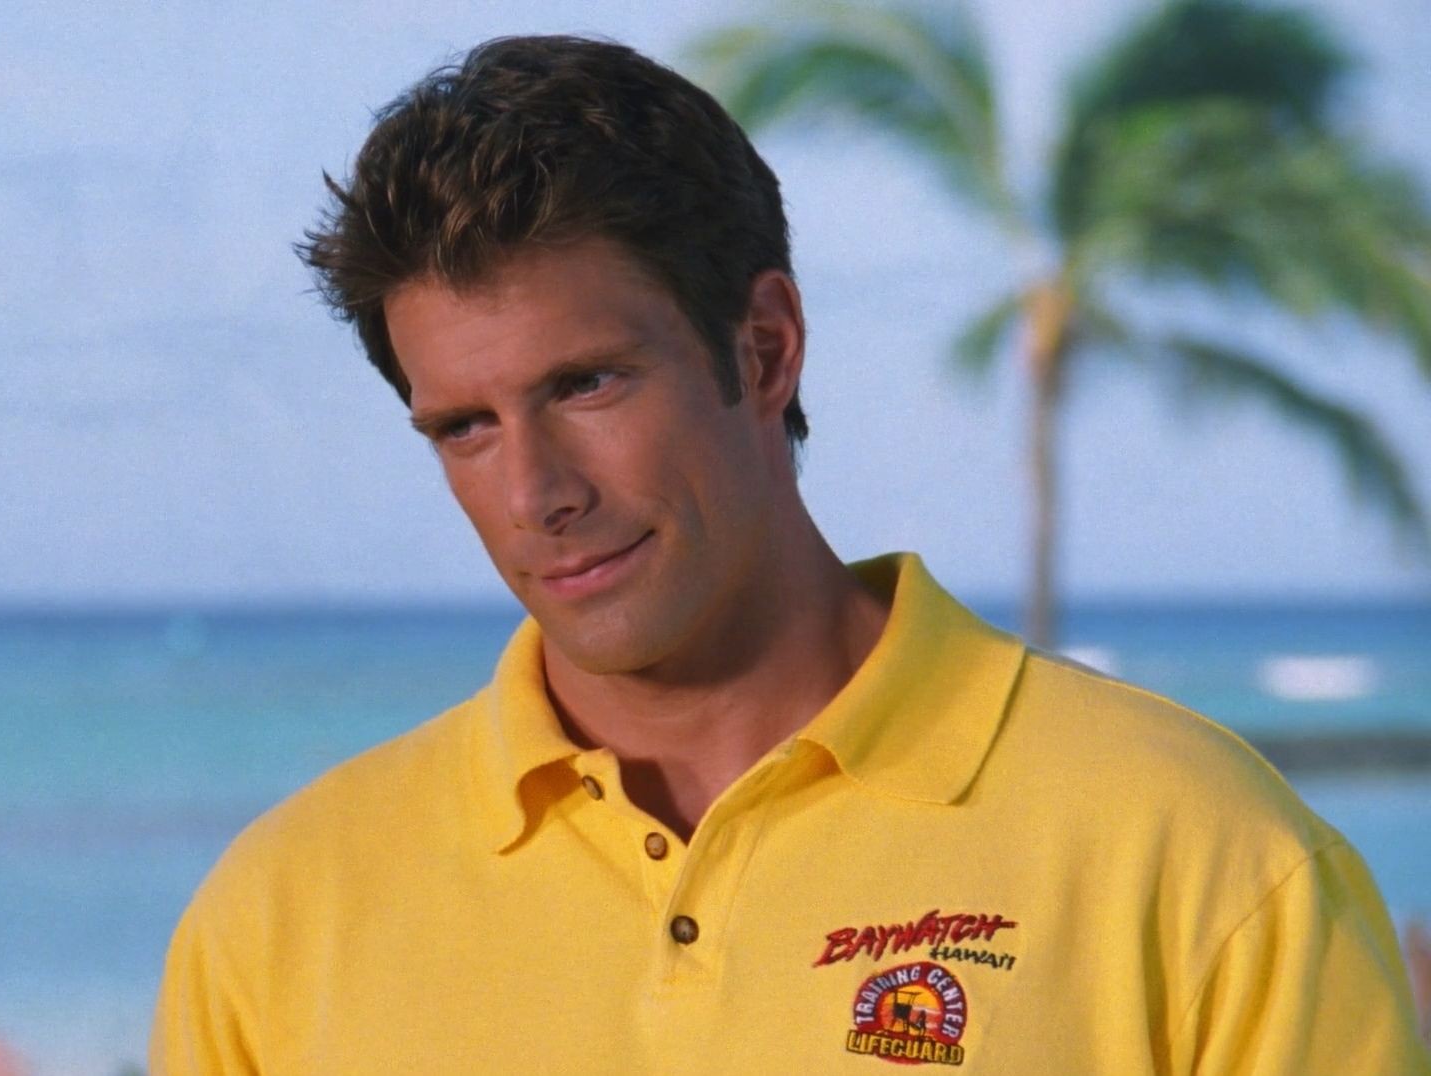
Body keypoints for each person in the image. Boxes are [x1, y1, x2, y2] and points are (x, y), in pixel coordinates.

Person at [152, 34, 1428, 1074]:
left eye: (586, 383)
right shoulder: (279, 918)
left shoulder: (1202, 855)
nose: (536, 493)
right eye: (465, 427)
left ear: (764, 348)